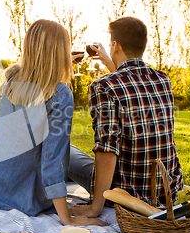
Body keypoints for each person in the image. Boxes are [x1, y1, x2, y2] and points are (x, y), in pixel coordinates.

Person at [0, 19, 107, 227]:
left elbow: (39, 74)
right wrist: (67, 218)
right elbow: (53, 160)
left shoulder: (12, 76)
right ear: (59, 53)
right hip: (26, 200)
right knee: (65, 152)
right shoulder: (60, 94)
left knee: (18, 138)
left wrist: (60, 63)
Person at [69, 16, 184, 218]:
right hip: (166, 190)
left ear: (115, 45)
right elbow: (131, 87)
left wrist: (96, 207)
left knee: (65, 151)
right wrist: (109, 61)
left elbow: (107, 149)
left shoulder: (103, 86)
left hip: (125, 193)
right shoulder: (162, 79)